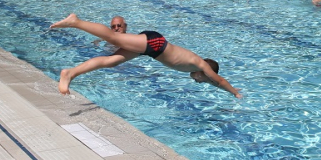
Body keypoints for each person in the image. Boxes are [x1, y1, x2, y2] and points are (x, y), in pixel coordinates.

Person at [51, 14, 241, 98]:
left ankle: (70, 74)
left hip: (152, 50)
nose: (200, 81)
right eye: (204, 80)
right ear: (206, 73)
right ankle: (75, 22)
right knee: (113, 37)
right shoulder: (200, 65)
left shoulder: (197, 69)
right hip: (155, 43)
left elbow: (212, 82)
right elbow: (219, 81)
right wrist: (235, 93)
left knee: (110, 62)